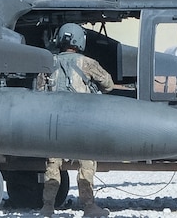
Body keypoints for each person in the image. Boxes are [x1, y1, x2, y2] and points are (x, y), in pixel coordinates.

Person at [37, 23, 114, 218]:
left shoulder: (49, 62)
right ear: (80, 41)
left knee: (53, 165)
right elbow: (109, 84)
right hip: (81, 122)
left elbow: (39, 91)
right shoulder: (87, 63)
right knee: (86, 163)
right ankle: (88, 206)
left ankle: (47, 207)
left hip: (53, 123)